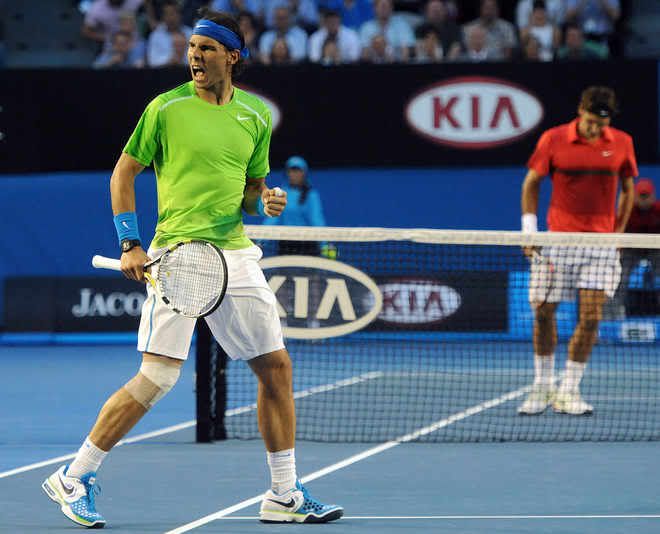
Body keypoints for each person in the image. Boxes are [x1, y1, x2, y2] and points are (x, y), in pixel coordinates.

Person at [42, 8, 343, 528]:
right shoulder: (165, 108)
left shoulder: (254, 116)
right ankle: (74, 475)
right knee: (157, 377)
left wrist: (264, 199)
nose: (195, 57)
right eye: (191, 49)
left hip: (236, 253)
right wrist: (131, 242)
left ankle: (284, 493)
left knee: (275, 368)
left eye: (206, 49)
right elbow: (123, 174)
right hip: (178, 255)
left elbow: (249, 191)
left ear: (233, 55)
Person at [518, 86, 637, 416]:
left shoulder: (622, 142)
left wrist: (617, 233)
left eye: (600, 125)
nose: (594, 130)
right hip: (558, 242)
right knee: (543, 311)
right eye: (589, 122)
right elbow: (531, 182)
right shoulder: (553, 139)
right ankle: (542, 386)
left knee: (591, 317)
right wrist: (530, 231)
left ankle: (569, 390)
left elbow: (628, 189)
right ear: (579, 111)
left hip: (599, 246)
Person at [609, 179, 660, 317]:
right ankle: (613, 314)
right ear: (635, 196)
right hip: (631, 250)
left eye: (646, 196)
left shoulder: (658, 209)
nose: (644, 200)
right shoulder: (627, 210)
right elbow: (617, 230)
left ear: (653, 196)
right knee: (620, 276)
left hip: (656, 250)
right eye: (641, 196)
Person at [263, 156, 330, 257]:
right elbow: (272, 220)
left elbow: (316, 220)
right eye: (292, 171)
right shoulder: (280, 193)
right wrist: (261, 241)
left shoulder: (312, 195)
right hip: (286, 245)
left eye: (298, 171)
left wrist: (324, 244)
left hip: (308, 245)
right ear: (287, 173)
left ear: (304, 173)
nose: (295, 174)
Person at [147, 0, 193, 67]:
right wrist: (170, 60)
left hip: (187, 73)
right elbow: (152, 61)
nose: (171, 18)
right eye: (167, 14)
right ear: (163, 17)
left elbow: (198, 61)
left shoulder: (191, 34)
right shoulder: (155, 35)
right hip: (162, 74)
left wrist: (182, 59)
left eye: (173, 13)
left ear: (180, 15)